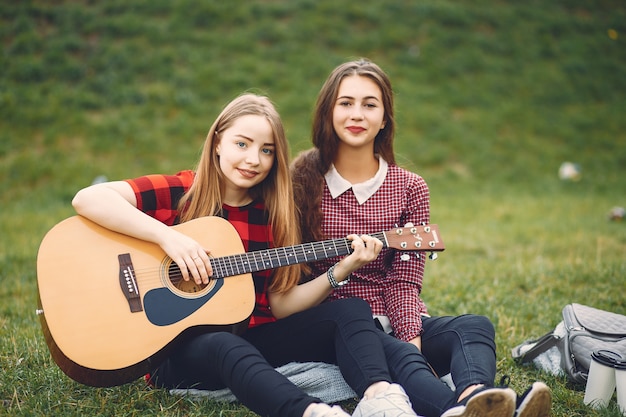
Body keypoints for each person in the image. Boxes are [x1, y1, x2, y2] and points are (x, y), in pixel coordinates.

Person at [71, 93, 423, 417]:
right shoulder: (182, 191)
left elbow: (281, 306)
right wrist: (168, 239)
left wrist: (343, 269)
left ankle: (383, 403)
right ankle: (310, 412)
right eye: (242, 144)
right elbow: (88, 199)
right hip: (175, 351)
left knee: (350, 311)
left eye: (267, 150)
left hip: (253, 339)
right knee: (225, 344)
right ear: (218, 142)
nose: (253, 160)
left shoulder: (271, 216)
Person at [291, 59, 553, 417]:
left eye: (370, 104)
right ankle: (457, 409)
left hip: (394, 313)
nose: (357, 114)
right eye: (345, 102)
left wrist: (411, 336)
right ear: (328, 111)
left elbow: (404, 282)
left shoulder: (410, 187)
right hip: (340, 327)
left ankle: (480, 396)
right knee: (399, 354)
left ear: (384, 119)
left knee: (474, 326)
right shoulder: (300, 182)